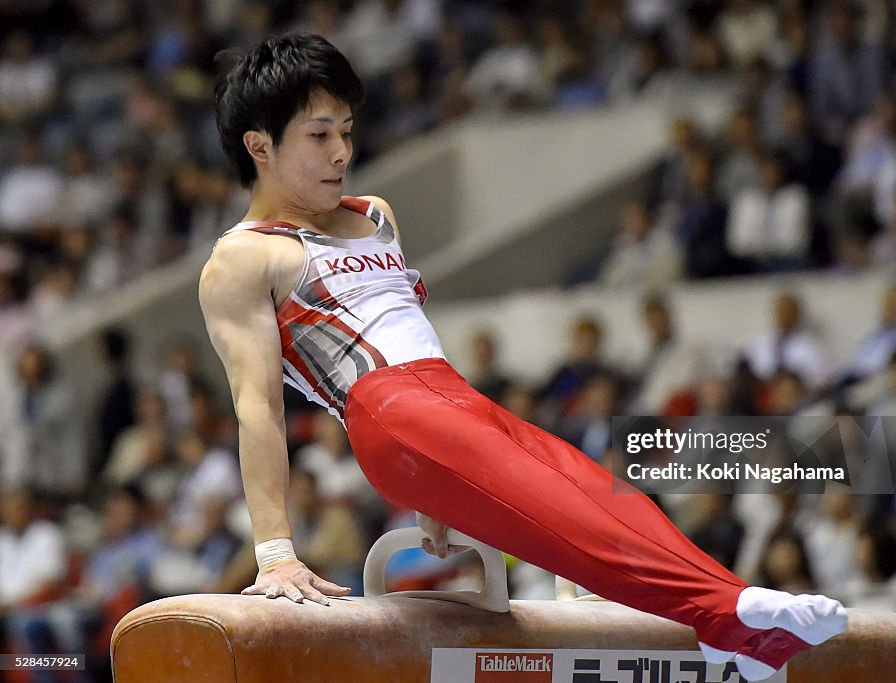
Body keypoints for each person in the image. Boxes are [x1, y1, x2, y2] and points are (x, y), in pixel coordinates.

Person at [199, 33, 847, 681]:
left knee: (599, 489)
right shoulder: (245, 257)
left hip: (451, 398)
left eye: (346, 129)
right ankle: (727, 613)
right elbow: (258, 408)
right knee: (562, 516)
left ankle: (733, 612)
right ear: (261, 146)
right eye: (319, 135)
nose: (342, 151)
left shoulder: (375, 215)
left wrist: (439, 497)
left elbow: (410, 327)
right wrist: (276, 551)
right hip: (388, 414)